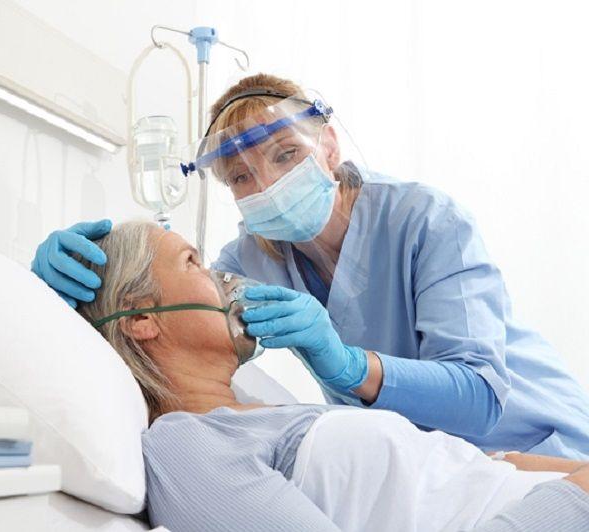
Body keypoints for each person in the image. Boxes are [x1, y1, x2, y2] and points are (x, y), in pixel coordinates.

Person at [32, 73, 589, 459]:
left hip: (540, 446)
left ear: (328, 146)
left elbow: (481, 396)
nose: (267, 184)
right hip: (438, 471)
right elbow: (168, 317)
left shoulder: (426, 221)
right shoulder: (249, 259)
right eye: (241, 176)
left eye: (286, 154)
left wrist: (348, 366)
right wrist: (56, 293)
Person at [71, 220, 589, 532]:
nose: (225, 278)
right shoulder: (186, 443)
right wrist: (576, 498)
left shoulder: (265, 414)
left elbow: (463, 470)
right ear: (141, 317)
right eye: (193, 263)